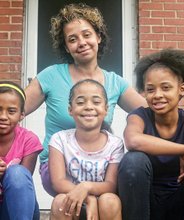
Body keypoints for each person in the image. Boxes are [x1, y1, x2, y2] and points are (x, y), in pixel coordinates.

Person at [24, 3, 146, 196]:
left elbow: (151, 113)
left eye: (87, 35)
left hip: (99, 171)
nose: (81, 42)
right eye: (72, 39)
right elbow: (13, 110)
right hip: (59, 170)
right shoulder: (50, 76)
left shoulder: (116, 83)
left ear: (98, 36)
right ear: (66, 46)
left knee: (109, 202)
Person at [118, 48, 184, 220]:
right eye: (150, 89)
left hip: (182, 203)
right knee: (133, 160)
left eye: (165, 88)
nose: (157, 95)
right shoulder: (140, 116)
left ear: (181, 89)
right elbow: (133, 140)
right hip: (145, 203)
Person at [49, 79, 123, 220]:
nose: (88, 107)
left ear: (106, 109)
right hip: (72, 201)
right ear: (70, 110)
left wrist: (86, 187)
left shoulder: (115, 144)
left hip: (103, 206)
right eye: (81, 102)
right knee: (60, 201)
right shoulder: (59, 139)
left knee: (110, 200)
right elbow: (58, 182)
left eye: (96, 102)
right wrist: (89, 199)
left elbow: (111, 185)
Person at [0, 81, 43, 220]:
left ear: (22, 114)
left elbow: (22, 183)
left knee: (17, 172)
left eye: (11, 111)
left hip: (17, 210)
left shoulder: (28, 140)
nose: (3, 116)